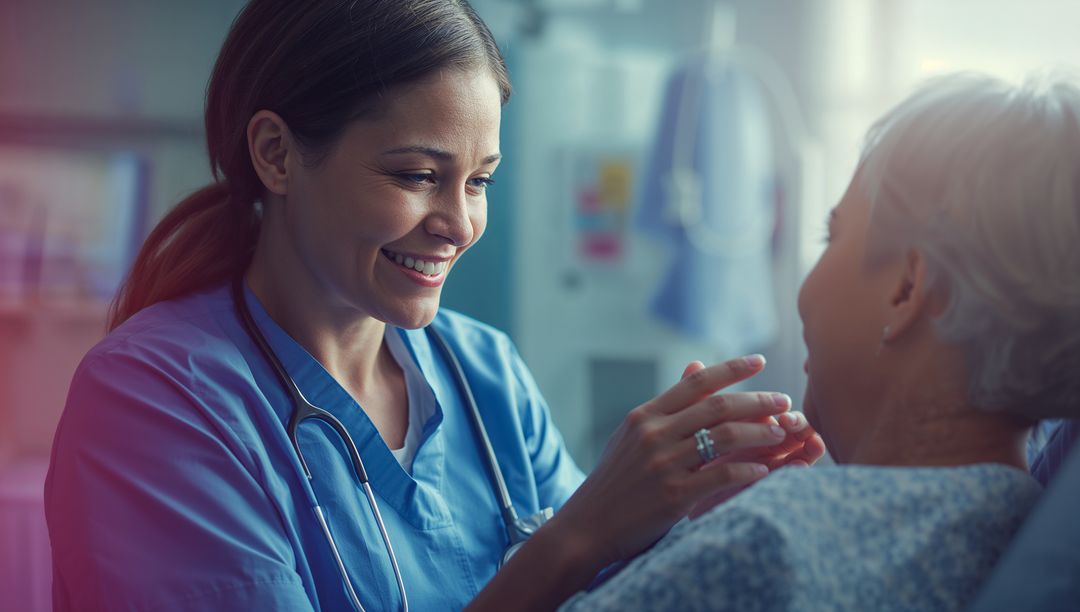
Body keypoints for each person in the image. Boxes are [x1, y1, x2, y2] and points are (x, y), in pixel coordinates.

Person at [43, 1, 824, 611]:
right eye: (418, 175)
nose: (459, 224)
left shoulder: (484, 372)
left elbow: (602, 592)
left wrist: (693, 521)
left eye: (478, 181)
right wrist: (578, 535)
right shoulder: (153, 401)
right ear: (276, 154)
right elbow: (572, 558)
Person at [563, 72, 1080, 611]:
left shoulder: (769, 547)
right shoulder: (1039, 533)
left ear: (906, 289)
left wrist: (588, 537)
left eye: (831, 237)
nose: (805, 291)